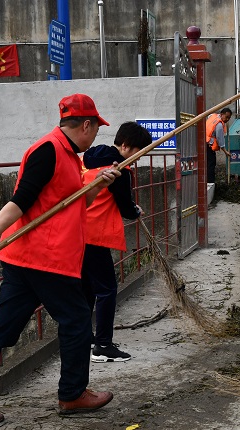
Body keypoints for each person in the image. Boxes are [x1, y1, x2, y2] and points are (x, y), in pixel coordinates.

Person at [0, 94, 120, 425]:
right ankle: (72, 395)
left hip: (29, 258)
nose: (96, 135)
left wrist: (98, 186)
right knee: (77, 321)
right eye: (96, 129)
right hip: (45, 258)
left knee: (1, 329)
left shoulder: (69, 156)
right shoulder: (49, 150)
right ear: (86, 125)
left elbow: (69, 207)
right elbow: (20, 201)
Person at [81, 121, 153, 363]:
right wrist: (134, 211)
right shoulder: (118, 170)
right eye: (138, 152)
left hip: (76, 233)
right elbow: (124, 206)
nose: (138, 158)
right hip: (96, 235)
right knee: (107, 290)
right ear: (125, 146)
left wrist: (131, 207)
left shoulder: (89, 159)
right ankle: (102, 346)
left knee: (87, 289)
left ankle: (85, 338)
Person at [205, 107, 232, 184]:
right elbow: (220, 140)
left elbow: (208, 116)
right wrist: (225, 151)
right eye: (226, 117)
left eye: (229, 118)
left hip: (203, 143)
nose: (227, 119)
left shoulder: (213, 116)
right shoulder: (219, 125)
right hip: (209, 146)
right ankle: (210, 182)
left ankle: (207, 181)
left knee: (206, 164)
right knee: (211, 164)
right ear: (222, 114)